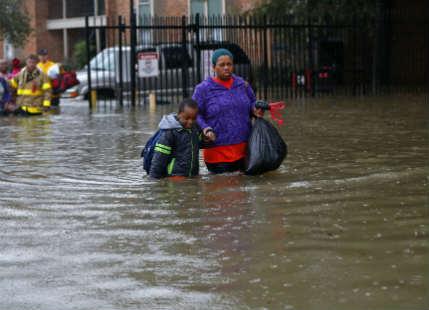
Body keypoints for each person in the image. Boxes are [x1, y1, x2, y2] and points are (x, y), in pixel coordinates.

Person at [192, 48, 266, 174]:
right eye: (222, 65)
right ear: (213, 67)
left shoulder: (242, 85)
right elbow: (195, 113)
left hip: (245, 150)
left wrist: (256, 109)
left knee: (243, 190)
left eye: (229, 64)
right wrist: (205, 128)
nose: (226, 68)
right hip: (217, 153)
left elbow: (252, 102)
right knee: (223, 190)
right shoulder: (203, 89)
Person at [149, 98, 215, 179]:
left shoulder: (195, 128)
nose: (190, 122)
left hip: (192, 176)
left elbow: (197, 144)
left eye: (193, 119)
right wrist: (154, 179)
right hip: (174, 177)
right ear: (179, 114)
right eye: (187, 118)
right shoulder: (169, 132)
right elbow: (159, 158)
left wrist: (206, 140)